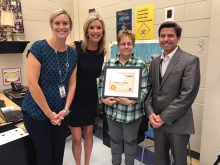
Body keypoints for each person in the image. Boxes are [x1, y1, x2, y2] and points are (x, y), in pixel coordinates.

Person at [21, 8, 78, 165]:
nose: (61, 27)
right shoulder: (39, 48)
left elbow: (72, 84)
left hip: (61, 113)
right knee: (45, 155)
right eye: (57, 23)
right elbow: (32, 84)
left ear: (70, 26)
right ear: (51, 26)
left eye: (65, 23)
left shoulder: (72, 54)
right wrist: (49, 114)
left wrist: (65, 110)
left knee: (58, 153)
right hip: (37, 113)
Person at [145, 21, 200, 165]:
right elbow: (151, 90)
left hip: (178, 123)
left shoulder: (190, 61)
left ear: (178, 38)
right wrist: (150, 112)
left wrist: (163, 117)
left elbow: (187, 95)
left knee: (179, 161)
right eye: (162, 36)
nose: (165, 39)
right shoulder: (155, 62)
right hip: (157, 122)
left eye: (170, 35)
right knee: (160, 159)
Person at [97, 29, 148, 165]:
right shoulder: (110, 64)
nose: (126, 46)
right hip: (113, 112)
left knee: (130, 142)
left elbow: (144, 89)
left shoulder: (140, 64)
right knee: (115, 141)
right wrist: (103, 99)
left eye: (129, 44)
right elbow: (101, 86)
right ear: (118, 46)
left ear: (133, 45)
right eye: (123, 43)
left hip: (132, 113)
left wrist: (131, 101)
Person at [69, 14, 106, 165]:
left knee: (89, 133)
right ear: (86, 30)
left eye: (98, 27)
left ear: (102, 31)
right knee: (77, 138)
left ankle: (87, 163)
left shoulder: (101, 52)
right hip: (75, 97)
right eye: (92, 27)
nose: (95, 31)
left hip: (91, 96)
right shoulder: (74, 47)